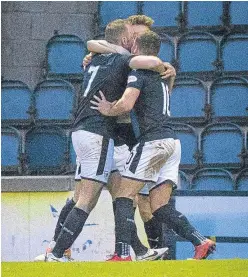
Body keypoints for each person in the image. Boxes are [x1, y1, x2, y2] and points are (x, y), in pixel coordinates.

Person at [44, 19, 168, 262]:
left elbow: (94, 44)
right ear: (125, 40)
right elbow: (150, 61)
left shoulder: (99, 58)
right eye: (133, 38)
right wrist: (162, 65)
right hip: (101, 133)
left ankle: (140, 252)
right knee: (86, 198)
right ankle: (57, 251)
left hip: (97, 133)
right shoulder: (123, 60)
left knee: (120, 196)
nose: (136, 43)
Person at [90, 30, 216, 261]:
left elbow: (127, 104)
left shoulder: (139, 73)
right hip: (172, 142)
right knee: (159, 206)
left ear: (136, 48)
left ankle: (123, 254)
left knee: (124, 196)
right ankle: (200, 240)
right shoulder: (164, 75)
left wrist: (109, 109)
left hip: (153, 141)